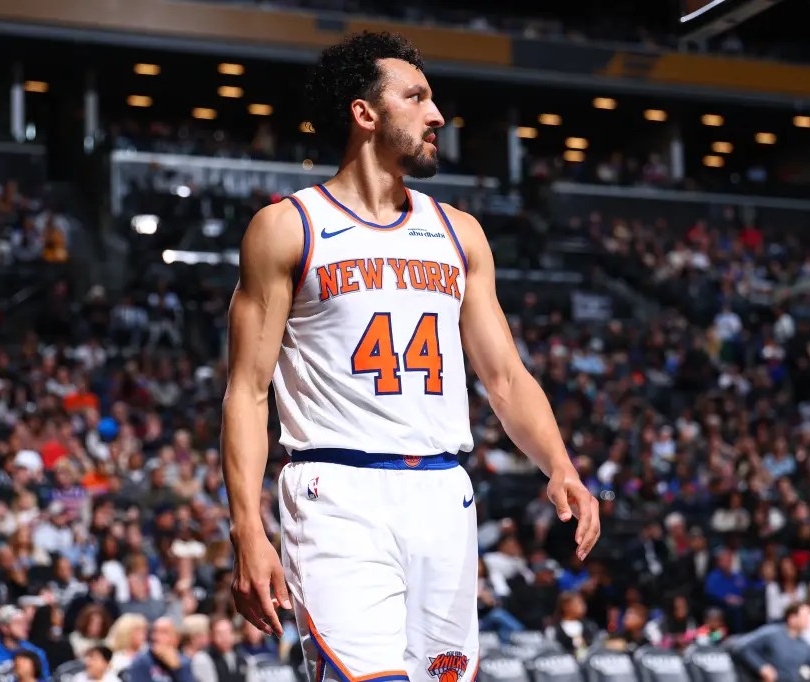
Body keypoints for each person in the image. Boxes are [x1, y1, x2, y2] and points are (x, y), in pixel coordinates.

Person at [222, 30, 600, 682]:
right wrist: (247, 530)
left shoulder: (459, 232)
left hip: (444, 494)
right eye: (417, 98)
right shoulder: (287, 227)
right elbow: (248, 392)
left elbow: (506, 377)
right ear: (364, 113)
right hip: (337, 491)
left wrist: (559, 463)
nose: (437, 116)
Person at [736, 602, 810, 682]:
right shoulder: (771, 633)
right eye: (805, 616)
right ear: (792, 618)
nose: (809, 620)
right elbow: (742, 647)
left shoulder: (805, 646)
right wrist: (761, 666)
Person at [0, 606, 51, 682]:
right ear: (4, 628)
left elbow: (45, 679)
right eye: (18, 623)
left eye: (25, 623)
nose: (25, 627)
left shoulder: (35, 653)